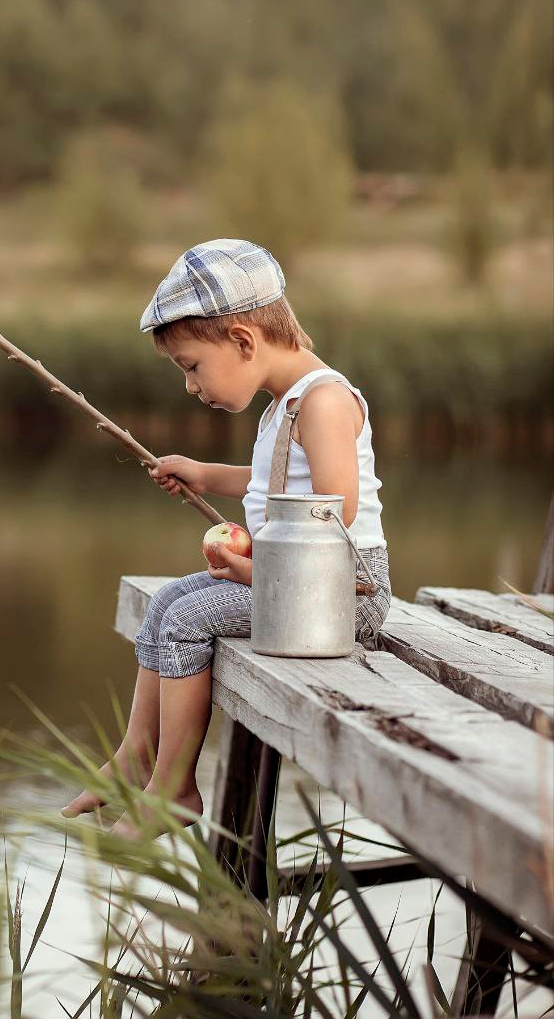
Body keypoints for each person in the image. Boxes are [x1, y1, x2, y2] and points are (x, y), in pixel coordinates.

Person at [61, 238, 392, 837]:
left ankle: (174, 787)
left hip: (341, 595)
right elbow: (271, 484)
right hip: (292, 581)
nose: (191, 385)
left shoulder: (325, 401)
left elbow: (332, 511)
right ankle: (138, 752)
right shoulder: (284, 405)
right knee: (166, 603)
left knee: (190, 620)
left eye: (192, 366)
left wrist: (260, 569)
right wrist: (203, 473)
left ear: (242, 340)